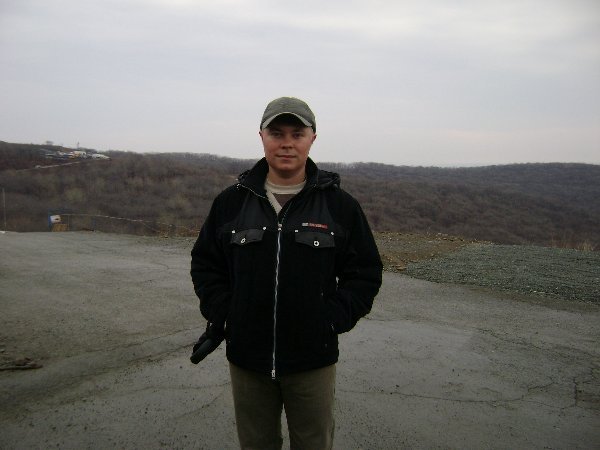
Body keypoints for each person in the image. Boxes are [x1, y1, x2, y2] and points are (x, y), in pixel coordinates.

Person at [190, 96, 382, 450]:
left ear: (312, 138)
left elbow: (365, 273)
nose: (287, 143)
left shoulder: (339, 206)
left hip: (312, 361)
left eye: (297, 133)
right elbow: (206, 265)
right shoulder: (230, 203)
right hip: (247, 360)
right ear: (262, 136)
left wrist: (331, 319)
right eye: (277, 133)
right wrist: (227, 313)